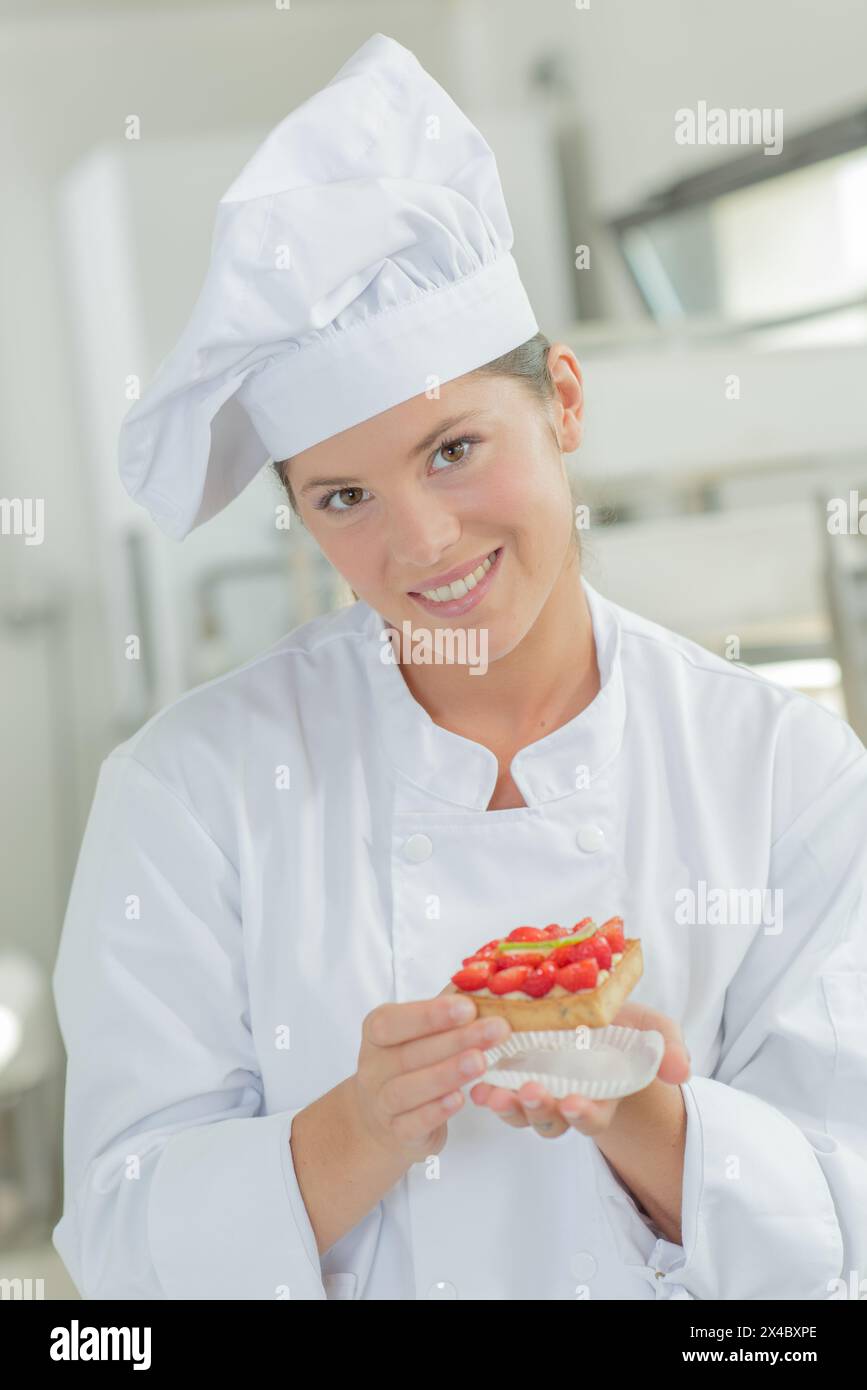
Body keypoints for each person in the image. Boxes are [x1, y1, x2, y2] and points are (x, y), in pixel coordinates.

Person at [52, 32, 867, 1300]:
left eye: (451, 449)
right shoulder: (190, 791)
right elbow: (116, 1256)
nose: (420, 543)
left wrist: (640, 1112)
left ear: (567, 405)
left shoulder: (780, 771)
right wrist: (358, 1130)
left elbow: (843, 1239)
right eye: (341, 495)